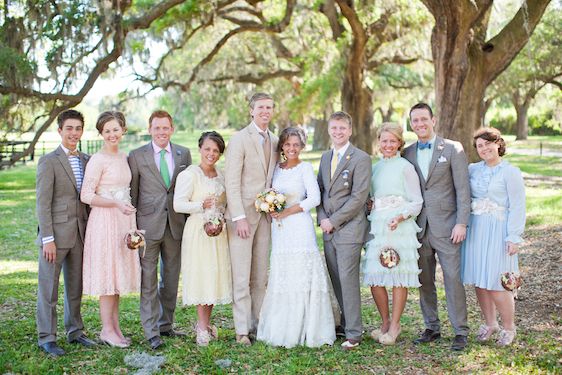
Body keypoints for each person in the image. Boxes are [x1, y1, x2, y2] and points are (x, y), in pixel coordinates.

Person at [257, 127, 336, 348]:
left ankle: (308, 326)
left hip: (299, 226)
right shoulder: (276, 169)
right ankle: (283, 324)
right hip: (280, 229)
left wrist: (286, 212)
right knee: (284, 272)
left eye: (296, 145)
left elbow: (314, 198)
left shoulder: (304, 168)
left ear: (302, 147)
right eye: (288, 144)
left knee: (302, 271)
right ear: (282, 146)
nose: (292, 148)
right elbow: (270, 194)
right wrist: (270, 208)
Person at [403, 102, 470, 351]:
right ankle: (432, 326)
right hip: (418, 228)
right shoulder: (407, 153)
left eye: (423, 119)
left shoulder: (453, 149)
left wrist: (461, 222)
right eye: (415, 120)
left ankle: (460, 331)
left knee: (453, 279)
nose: (419, 124)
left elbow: (463, 189)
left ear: (434, 120)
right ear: (411, 124)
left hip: (448, 226)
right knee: (425, 280)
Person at [35, 109, 97, 356]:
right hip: (56, 236)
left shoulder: (87, 160)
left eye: (78, 128)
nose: (74, 133)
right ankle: (47, 337)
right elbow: (42, 202)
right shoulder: (49, 161)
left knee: (75, 287)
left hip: (81, 234)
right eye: (69, 128)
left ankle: (75, 331)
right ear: (60, 130)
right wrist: (47, 238)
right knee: (48, 288)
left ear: (82, 131)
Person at [129, 110, 191, 350]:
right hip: (147, 227)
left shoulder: (183, 154)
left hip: (175, 226)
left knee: (171, 279)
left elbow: (186, 190)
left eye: (166, 128)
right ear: (150, 129)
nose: (162, 132)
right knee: (148, 280)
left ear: (172, 129)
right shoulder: (136, 156)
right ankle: (151, 331)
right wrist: (133, 227)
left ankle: (166, 325)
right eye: (157, 128)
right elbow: (133, 192)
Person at [81, 111, 141, 348]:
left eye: (115, 129)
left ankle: (115, 327)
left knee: (116, 274)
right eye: (107, 131)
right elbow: (86, 195)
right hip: (105, 220)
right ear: (101, 134)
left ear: (123, 130)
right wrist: (115, 203)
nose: (112, 134)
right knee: (108, 274)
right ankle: (106, 330)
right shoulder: (98, 159)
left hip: (123, 221)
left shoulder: (124, 157)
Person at [461, 127, 525, 346]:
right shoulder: (472, 169)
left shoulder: (510, 172)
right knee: (480, 280)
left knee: (498, 281)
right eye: (479, 145)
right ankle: (490, 323)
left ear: (498, 144)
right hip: (476, 230)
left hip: (499, 231)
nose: (484, 148)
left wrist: (514, 236)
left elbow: (517, 206)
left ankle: (509, 327)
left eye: (488, 143)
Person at [224, 93, 279, 345]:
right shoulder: (239, 140)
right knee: (241, 275)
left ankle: (259, 324)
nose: (265, 111)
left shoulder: (275, 140)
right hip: (242, 218)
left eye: (269, 107)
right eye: (260, 107)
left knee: (260, 275)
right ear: (251, 110)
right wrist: (238, 217)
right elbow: (232, 182)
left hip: (265, 218)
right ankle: (242, 329)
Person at [363, 123, 423, 346]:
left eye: (392, 141)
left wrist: (400, 217)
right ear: (379, 142)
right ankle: (385, 321)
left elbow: (417, 201)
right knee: (374, 275)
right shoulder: (375, 168)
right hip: (378, 224)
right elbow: (372, 196)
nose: (388, 145)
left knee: (398, 275)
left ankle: (396, 324)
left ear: (399, 143)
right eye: (384, 141)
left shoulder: (405, 167)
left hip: (399, 225)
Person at [317, 111, 372, 350]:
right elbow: (320, 191)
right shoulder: (325, 157)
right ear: (329, 129)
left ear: (350, 131)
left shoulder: (360, 158)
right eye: (334, 128)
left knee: (348, 279)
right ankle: (347, 323)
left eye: (342, 128)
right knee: (336, 278)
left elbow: (359, 197)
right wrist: (321, 218)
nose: (338, 132)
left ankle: (354, 333)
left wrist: (334, 220)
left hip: (350, 228)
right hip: (328, 229)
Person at [174, 131, 232, 346]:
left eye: (216, 151)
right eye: (207, 149)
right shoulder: (190, 174)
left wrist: (221, 218)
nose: (211, 154)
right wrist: (201, 206)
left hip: (218, 231)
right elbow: (178, 204)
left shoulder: (221, 174)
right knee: (202, 276)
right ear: (200, 149)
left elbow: (225, 202)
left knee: (214, 277)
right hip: (198, 230)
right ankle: (200, 327)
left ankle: (207, 324)